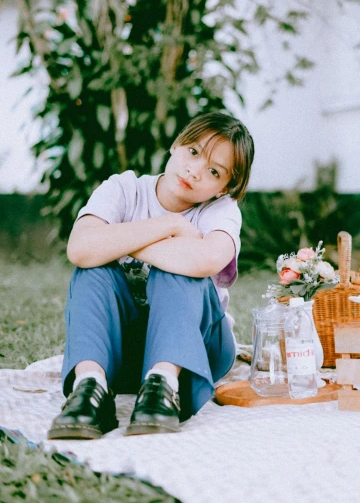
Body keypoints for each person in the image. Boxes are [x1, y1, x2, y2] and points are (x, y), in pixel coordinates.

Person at [48, 112, 254, 440]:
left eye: (214, 171)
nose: (196, 170)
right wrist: (169, 226)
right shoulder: (124, 189)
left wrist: (116, 241)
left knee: (179, 270)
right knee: (92, 270)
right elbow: (80, 249)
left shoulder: (221, 211)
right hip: (121, 352)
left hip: (196, 349)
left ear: (224, 187)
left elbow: (206, 259)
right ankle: (90, 388)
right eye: (194, 152)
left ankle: (163, 387)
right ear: (175, 146)